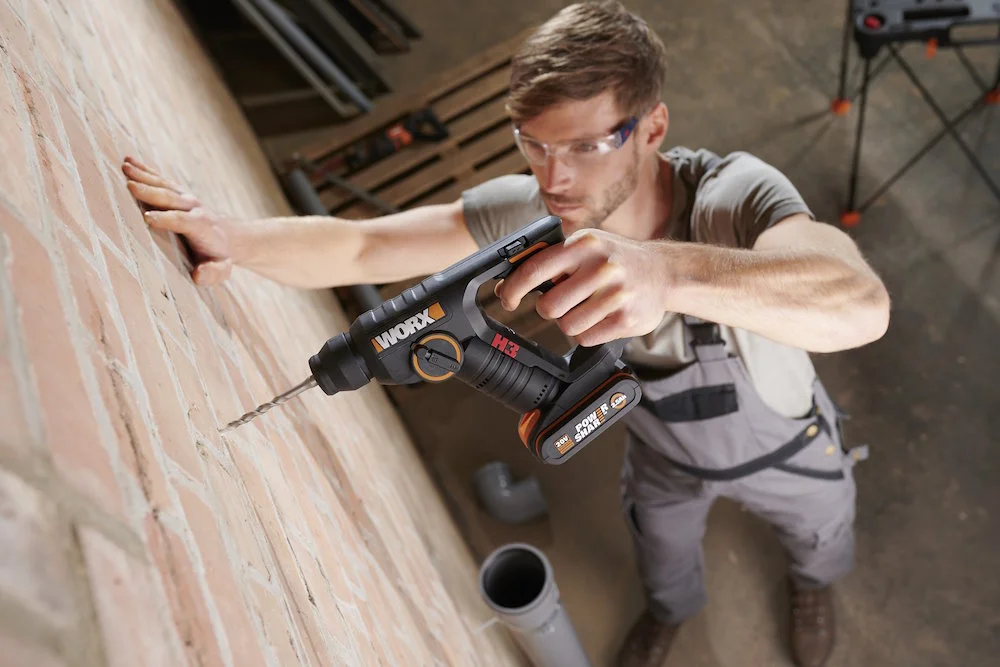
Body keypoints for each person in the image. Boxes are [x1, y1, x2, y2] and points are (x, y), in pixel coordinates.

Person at [122, 3, 890, 665]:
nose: (554, 178)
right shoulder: (528, 211)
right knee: (663, 556)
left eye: (586, 146)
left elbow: (859, 303)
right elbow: (366, 247)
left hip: (788, 447)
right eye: (533, 142)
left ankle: (814, 590)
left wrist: (667, 274)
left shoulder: (733, 196)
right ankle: (670, 611)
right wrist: (236, 239)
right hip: (661, 454)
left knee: (820, 540)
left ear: (652, 125)